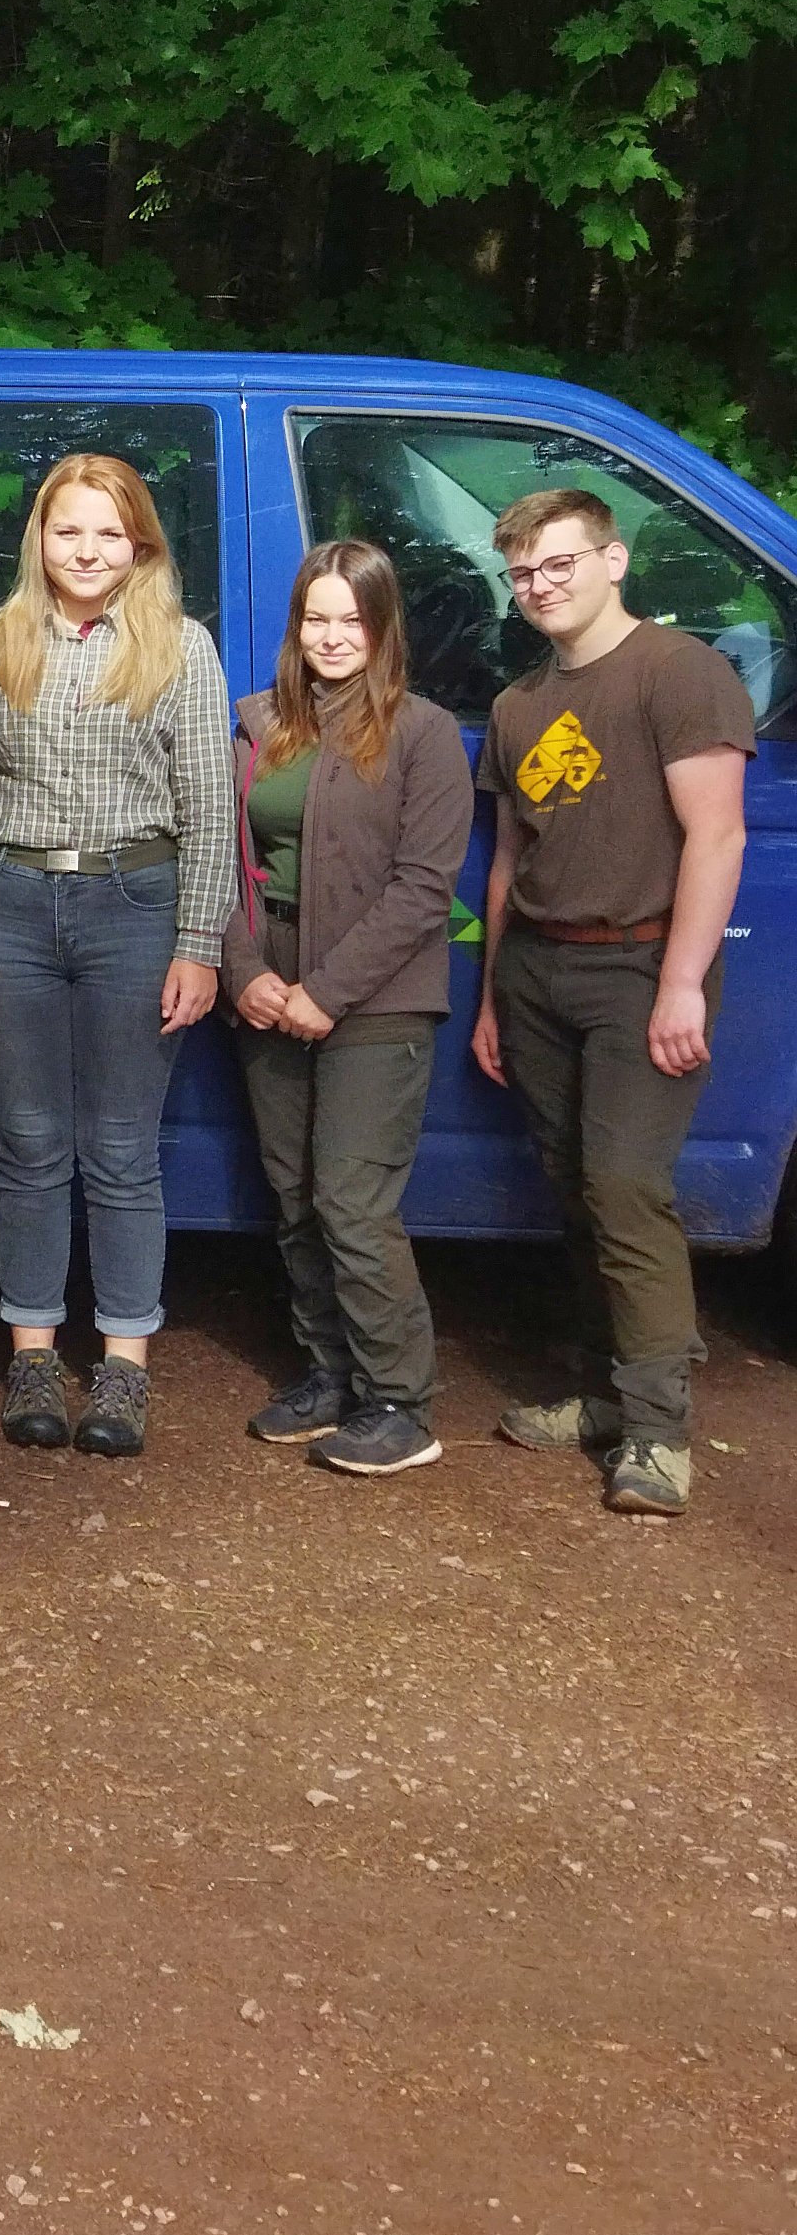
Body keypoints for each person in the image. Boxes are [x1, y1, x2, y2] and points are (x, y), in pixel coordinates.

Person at [470, 487, 752, 1517]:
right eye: (523, 573)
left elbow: (718, 835)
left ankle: (658, 1433)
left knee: (628, 1189)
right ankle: (600, 1394)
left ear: (614, 559)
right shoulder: (519, 704)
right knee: (577, 1188)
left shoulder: (681, 673)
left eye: (560, 564)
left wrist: (680, 985)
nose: (540, 586)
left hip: (642, 965)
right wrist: (495, 997)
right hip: (539, 969)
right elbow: (509, 861)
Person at [0, 454, 230, 1457]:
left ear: (139, 543)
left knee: (120, 1148)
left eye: (109, 532)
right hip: (9, 908)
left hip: (134, 906)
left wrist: (199, 945)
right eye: (68, 529)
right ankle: (32, 1353)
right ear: (40, 537)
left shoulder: (181, 646)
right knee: (27, 1143)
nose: (87, 549)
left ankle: (122, 1365)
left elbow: (208, 806)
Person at [219, 543, 472, 1477]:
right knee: (293, 1198)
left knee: (352, 1203)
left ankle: (399, 1401)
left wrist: (326, 992)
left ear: (383, 627)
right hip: (267, 985)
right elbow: (218, 858)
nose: (332, 638)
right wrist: (244, 972)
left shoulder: (423, 733)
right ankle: (328, 1374)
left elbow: (423, 887)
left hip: (376, 998)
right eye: (315, 619)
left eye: (351, 621)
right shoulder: (259, 725)